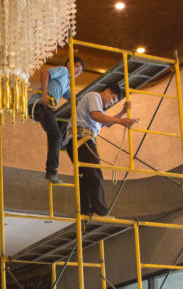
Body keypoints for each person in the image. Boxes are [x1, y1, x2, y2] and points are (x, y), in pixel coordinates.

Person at [63, 81, 137, 217]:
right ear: (107, 91)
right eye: (113, 99)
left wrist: (121, 112)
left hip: (77, 140)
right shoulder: (94, 96)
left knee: (85, 177)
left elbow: (106, 123)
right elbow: (96, 116)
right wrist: (121, 121)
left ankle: (86, 211)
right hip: (82, 139)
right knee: (94, 174)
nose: (111, 103)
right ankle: (100, 211)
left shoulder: (96, 107)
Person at [28, 56, 84, 183]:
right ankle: (51, 172)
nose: (77, 72)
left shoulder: (66, 85)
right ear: (69, 65)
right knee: (56, 135)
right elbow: (45, 72)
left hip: (45, 109)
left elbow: (74, 99)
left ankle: (61, 143)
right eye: (76, 67)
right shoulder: (63, 71)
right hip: (39, 105)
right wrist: (43, 95)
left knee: (59, 129)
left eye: (80, 71)